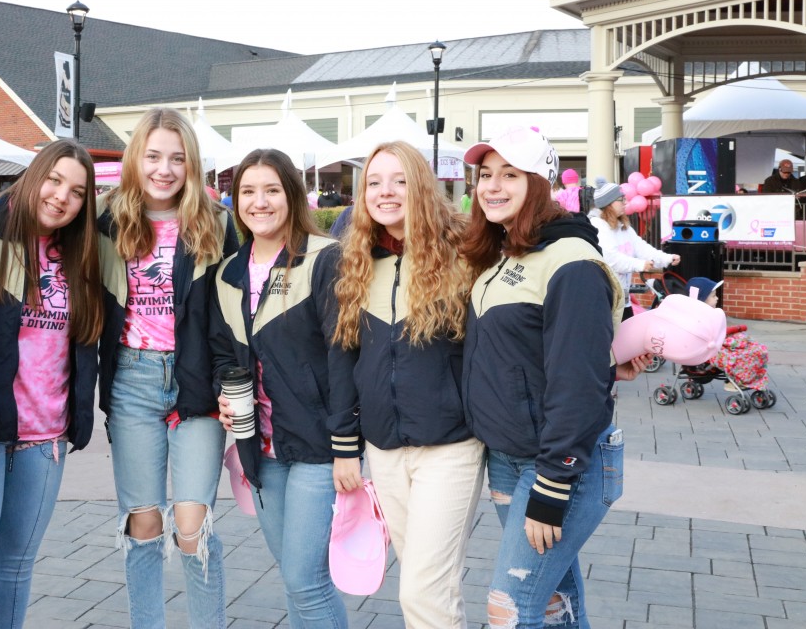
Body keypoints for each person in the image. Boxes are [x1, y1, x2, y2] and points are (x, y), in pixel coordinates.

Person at [460, 125, 646, 629]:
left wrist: (553, 484)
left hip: (562, 467)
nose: (492, 186)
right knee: (552, 605)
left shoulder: (571, 262)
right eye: (485, 175)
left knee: (510, 608)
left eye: (510, 175)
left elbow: (578, 386)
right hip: (508, 457)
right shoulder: (505, 253)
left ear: (539, 183)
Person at [329, 141, 485, 629]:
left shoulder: (466, 251)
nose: (384, 192)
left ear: (420, 185)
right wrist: (344, 444)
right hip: (385, 447)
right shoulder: (356, 259)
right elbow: (342, 357)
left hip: (450, 445)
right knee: (431, 588)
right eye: (373, 183)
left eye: (398, 180)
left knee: (422, 589)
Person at [97, 107, 237, 629]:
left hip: (196, 381)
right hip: (131, 380)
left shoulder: (216, 222)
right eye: (153, 156)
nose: (164, 168)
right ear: (136, 158)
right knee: (143, 522)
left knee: (191, 524)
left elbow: (238, 310)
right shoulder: (105, 220)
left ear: (191, 164)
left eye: (177, 158)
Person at [0, 139, 104, 628]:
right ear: (33, 176)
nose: (62, 197)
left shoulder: (81, 255)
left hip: (46, 439)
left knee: (16, 567)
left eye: (78, 191)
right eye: (55, 180)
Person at [210, 149, 347, 628]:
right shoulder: (228, 272)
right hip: (260, 448)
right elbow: (225, 354)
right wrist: (225, 396)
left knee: (306, 580)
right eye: (248, 191)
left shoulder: (324, 258)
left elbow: (345, 356)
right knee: (296, 579)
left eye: (271, 190)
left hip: (317, 446)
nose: (259, 202)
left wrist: (347, 446)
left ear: (291, 194)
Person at [589, 179, 680, 320]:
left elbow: (641, 247)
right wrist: (639, 264)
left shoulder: (623, 226)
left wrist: (666, 258)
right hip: (606, 301)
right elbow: (611, 260)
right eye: (621, 199)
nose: (625, 202)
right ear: (609, 204)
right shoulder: (598, 227)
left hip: (623, 301)